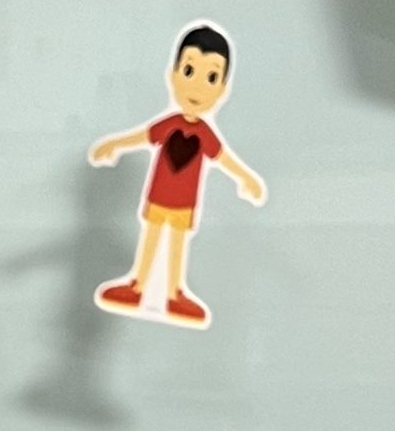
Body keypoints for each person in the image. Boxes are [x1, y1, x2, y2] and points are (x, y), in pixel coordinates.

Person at [89, 23, 266, 329]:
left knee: (177, 243)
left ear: (222, 89)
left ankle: (174, 292)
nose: (197, 87)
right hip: (158, 197)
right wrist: (114, 144)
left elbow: (223, 157)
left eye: (211, 77)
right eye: (189, 71)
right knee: (151, 236)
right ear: (172, 75)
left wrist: (245, 177)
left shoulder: (205, 134)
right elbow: (143, 136)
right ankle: (138, 284)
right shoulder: (169, 124)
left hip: (184, 203)